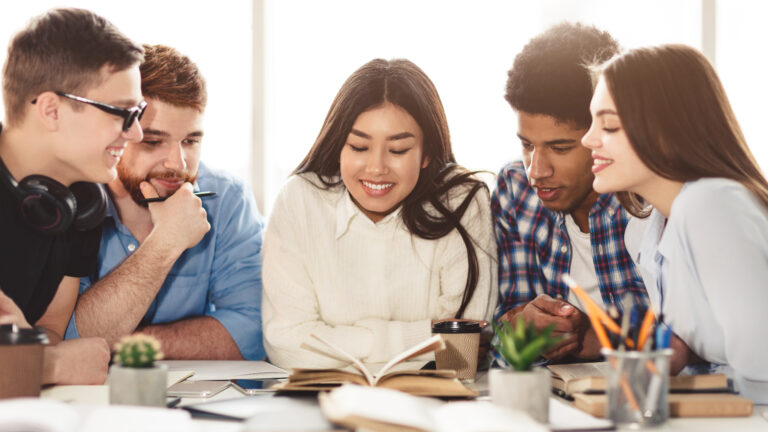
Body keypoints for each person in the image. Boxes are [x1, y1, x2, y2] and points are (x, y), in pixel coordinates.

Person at [262, 58, 497, 369]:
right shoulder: (299, 199)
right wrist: (422, 338)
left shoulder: (463, 201)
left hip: (437, 405)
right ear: (339, 146)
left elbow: (461, 351)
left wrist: (338, 344)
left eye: (398, 150)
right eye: (359, 147)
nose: (376, 168)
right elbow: (286, 344)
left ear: (426, 153)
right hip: (322, 403)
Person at [582, 44, 768, 402]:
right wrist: (682, 350)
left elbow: (762, 377)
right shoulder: (644, 228)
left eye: (609, 124)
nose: (588, 138)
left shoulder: (712, 205)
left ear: (667, 131)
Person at [64, 45, 265, 360]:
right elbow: (65, 338)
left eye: (191, 141)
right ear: (116, 133)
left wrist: (134, 343)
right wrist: (165, 244)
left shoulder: (228, 200)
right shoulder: (71, 199)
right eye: (154, 141)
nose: (178, 164)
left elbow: (253, 330)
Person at [0, 8, 144, 384]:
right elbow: (50, 354)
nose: (137, 134)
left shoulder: (82, 203)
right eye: (122, 113)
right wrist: (48, 366)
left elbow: (49, 326)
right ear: (51, 110)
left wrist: (24, 353)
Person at [492, 22, 647, 361]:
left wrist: (594, 335)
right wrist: (520, 325)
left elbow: (687, 335)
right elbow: (502, 328)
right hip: (556, 399)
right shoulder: (515, 190)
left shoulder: (647, 198)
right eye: (527, 145)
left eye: (560, 148)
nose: (537, 170)